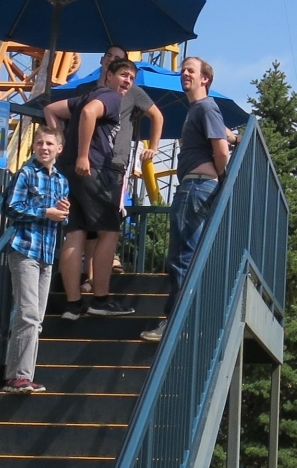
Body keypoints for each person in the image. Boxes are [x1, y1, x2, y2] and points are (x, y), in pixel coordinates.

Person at [43, 49, 160, 319]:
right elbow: (88, 113)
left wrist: (63, 146)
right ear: (108, 74)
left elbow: (51, 109)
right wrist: (83, 154)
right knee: (109, 232)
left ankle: (73, 304)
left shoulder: (87, 94)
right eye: (123, 75)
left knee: (76, 233)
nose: (127, 81)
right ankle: (101, 299)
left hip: (70, 172)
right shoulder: (110, 97)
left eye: (131, 78)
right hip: (96, 170)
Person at [144, 56, 230, 344]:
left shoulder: (205, 107)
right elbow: (223, 136)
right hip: (197, 186)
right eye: (182, 70)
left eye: (190, 70)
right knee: (188, 255)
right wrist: (234, 137)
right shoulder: (199, 110)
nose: (184, 74)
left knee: (181, 257)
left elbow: (221, 150)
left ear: (205, 78)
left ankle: (175, 323)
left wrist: (219, 175)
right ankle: (187, 319)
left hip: (195, 187)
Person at [3, 125, 69, 394]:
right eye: (40, 143)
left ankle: (20, 376)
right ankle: (18, 377)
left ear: (59, 149)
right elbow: (12, 207)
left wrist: (63, 213)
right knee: (28, 314)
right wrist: (46, 212)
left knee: (35, 318)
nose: (44, 148)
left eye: (49, 144)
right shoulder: (26, 173)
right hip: (25, 250)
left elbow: (61, 219)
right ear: (34, 147)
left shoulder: (62, 181)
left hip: (47, 254)